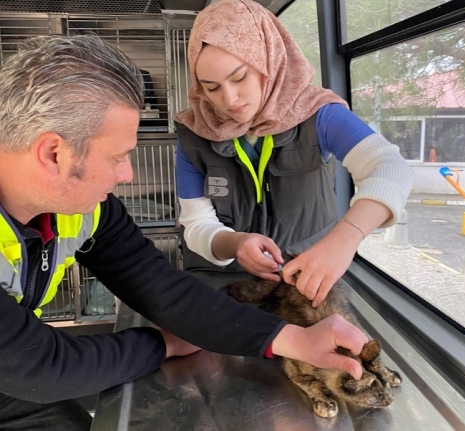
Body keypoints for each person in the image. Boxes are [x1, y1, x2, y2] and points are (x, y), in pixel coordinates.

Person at [0, 34, 369, 431]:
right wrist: (165, 344)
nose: (127, 175)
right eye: (118, 157)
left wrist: (293, 338)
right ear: (54, 153)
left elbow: (162, 288)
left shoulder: (83, 210)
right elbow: (46, 368)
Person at [175, 0, 414, 305]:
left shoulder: (318, 115)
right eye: (211, 88)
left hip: (305, 281)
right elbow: (196, 225)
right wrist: (234, 243)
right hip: (224, 286)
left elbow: (390, 168)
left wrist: (345, 239)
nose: (229, 99)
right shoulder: (195, 133)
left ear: (268, 63)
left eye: (239, 78)